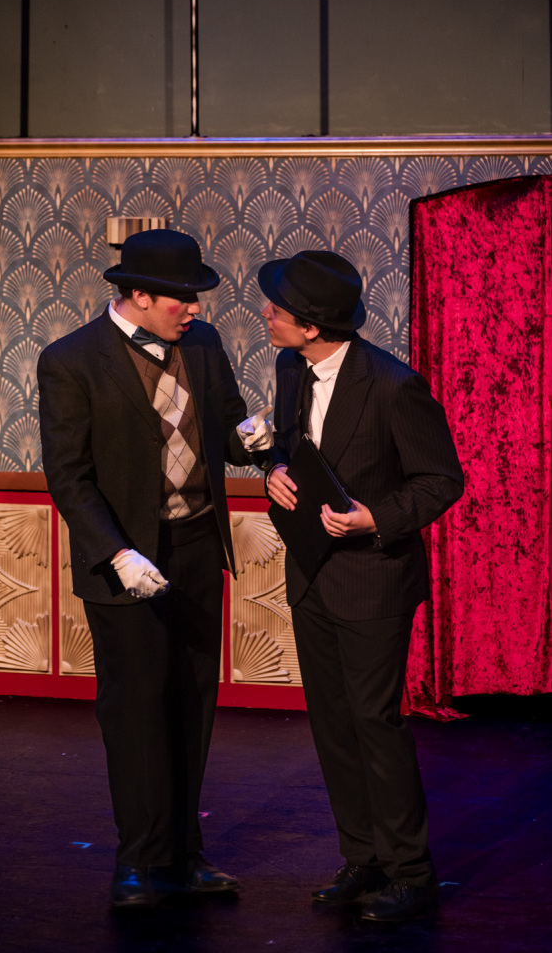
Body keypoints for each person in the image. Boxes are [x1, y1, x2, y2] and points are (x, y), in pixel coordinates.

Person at [37, 229, 265, 909]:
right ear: (138, 295)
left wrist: (251, 438)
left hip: (196, 548)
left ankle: (183, 856)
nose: (193, 309)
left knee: (190, 703)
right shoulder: (71, 360)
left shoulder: (204, 344)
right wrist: (116, 553)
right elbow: (69, 476)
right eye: (181, 299)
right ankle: (138, 862)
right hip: (125, 558)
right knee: (136, 709)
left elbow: (225, 427)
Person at [260, 250, 464, 922]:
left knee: (374, 723)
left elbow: (441, 480)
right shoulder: (290, 368)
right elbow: (290, 446)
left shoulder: (392, 385)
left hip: (373, 578)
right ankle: (362, 857)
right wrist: (274, 471)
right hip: (311, 573)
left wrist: (374, 518)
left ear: (313, 325)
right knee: (332, 724)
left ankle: (411, 873)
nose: (266, 315)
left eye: (278, 309)